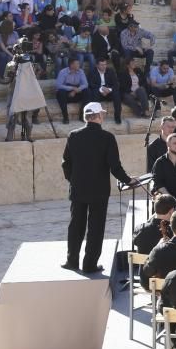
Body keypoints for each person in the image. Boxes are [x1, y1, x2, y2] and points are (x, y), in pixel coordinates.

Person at [60, 102, 136, 272]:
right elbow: (114, 166)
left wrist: (72, 180)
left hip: (78, 189)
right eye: (102, 114)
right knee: (96, 227)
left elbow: (66, 163)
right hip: (99, 191)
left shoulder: (73, 135)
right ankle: (89, 264)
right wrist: (128, 180)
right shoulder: (107, 138)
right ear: (98, 116)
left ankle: (71, 261)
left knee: (75, 225)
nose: (104, 116)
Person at [140, 208, 176, 288]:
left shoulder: (159, 250)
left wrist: (155, 247)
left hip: (165, 293)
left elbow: (147, 272)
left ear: (171, 227)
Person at [86, 57, 122, 124]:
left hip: (109, 92)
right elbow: (90, 84)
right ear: (97, 65)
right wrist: (101, 89)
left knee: (116, 94)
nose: (104, 66)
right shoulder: (92, 72)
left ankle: (117, 117)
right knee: (94, 93)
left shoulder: (110, 71)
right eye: (102, 65)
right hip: (98, 92)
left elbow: (116, 84)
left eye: (105, 64)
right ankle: (95, 117)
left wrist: (109, 89)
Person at [55, 57, 89, 124]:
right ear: (71, 65)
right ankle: (65, 117)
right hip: (66, 94)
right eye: (77, 64)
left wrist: (76, 90)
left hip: (76, 92)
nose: (79, 65)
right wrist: (72, 88)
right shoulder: (63, 72)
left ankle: (82, 115)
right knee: (61, 92)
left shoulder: (81, 71)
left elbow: (85, 84)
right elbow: (58, 85)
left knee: (87, 91)